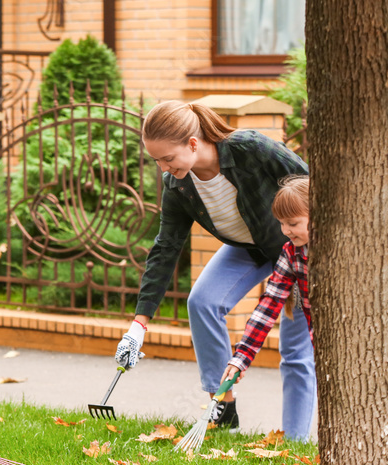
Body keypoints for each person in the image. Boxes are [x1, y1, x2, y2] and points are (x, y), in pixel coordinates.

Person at [114, 100, 314, 440]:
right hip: (245, 250)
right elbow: (166, 247)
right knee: (202, 301)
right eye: (157, 160)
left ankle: (294, 443)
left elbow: (309, 185)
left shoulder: (249, 148)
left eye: (168, 158)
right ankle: (221, 407)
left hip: (293, 249)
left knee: (295, 352)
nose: (163, 167)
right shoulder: (178, 185)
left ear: (193, 144)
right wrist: (139, 324)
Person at [222, 175, 312, 383]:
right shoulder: (291, 253)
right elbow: (269, 304)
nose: (285, 231)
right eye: (281, 224)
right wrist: (241, 358)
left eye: (293, 223)